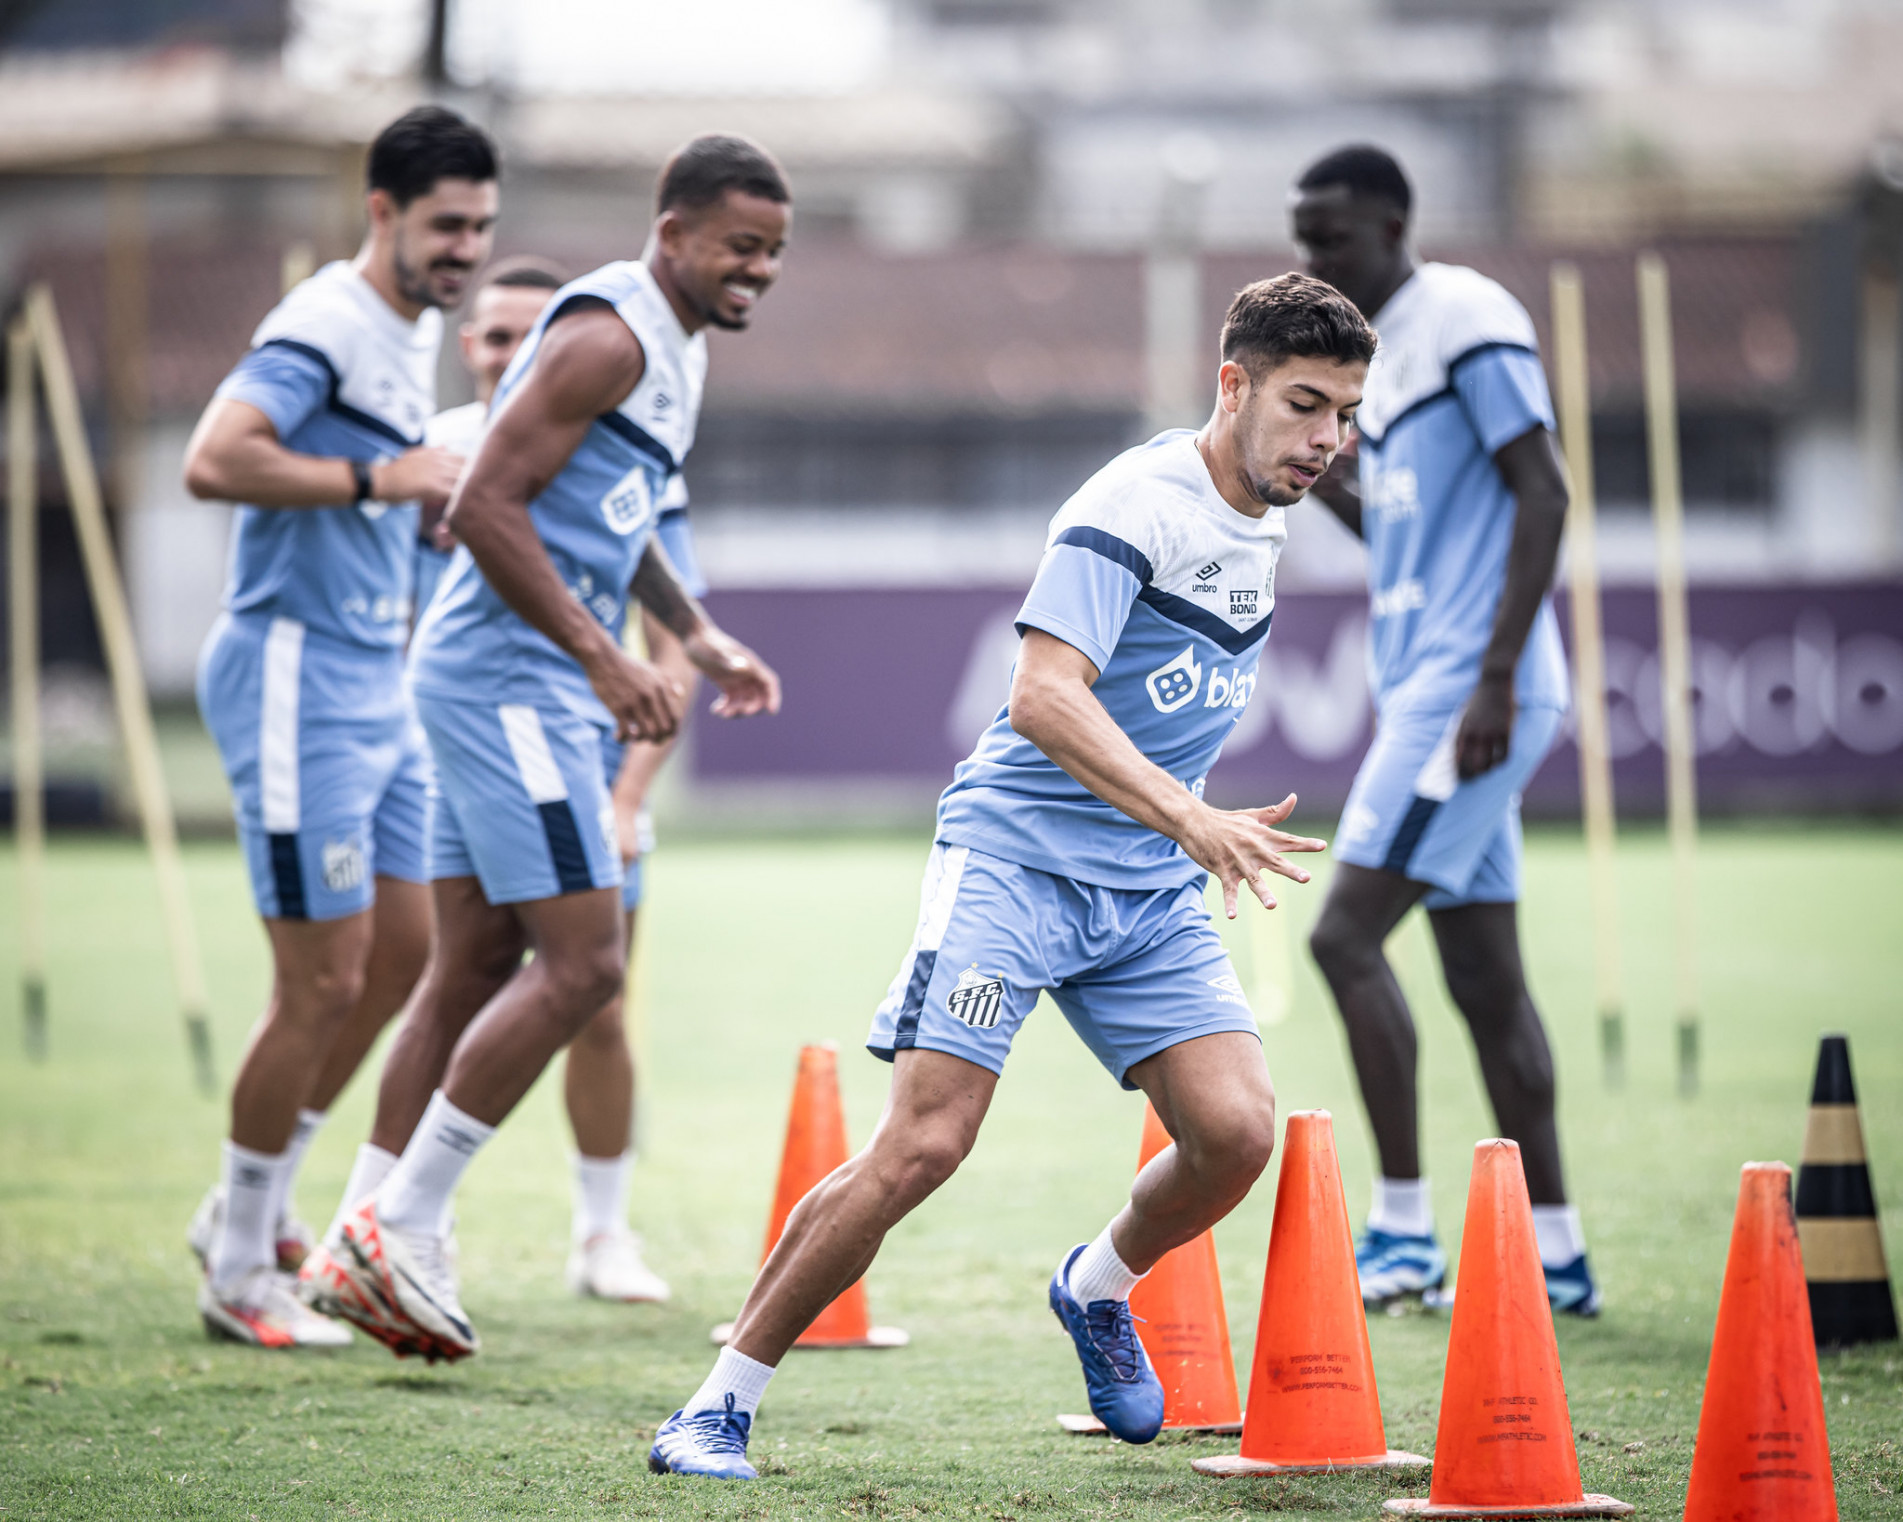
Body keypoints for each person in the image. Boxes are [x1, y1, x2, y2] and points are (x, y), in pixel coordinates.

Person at [647, 272, 1373, 1481]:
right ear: (1232, 384)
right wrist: (1192, 817)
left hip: (1142, 888)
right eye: (1306, 406)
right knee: (925, 1144)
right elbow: (1039, 696)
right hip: (1017, 866)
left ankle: (1094, 1287)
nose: (1327, 440)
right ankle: (714, 1405)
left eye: (1345, 414)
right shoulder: (1134, 503)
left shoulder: (1270, 510)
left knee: (1238, 1133)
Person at [301, 134, 788, 1361]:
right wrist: (604, 657)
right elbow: (480, 507)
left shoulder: (671, 348)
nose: (759, 270)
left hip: (502, 678)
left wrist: (693, 635)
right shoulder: (613, 332)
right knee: (585, 968)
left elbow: (609, 519)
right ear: (671, 233)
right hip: (511, 684)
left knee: (468, 966)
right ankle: (397, 1226)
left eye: (775, 251)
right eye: (741, 245)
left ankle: (364, 1229)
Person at [180, 106, 498, 1348]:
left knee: (406, 958)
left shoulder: (403, 336)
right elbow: (216, 457)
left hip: (378, 677)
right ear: (383, 214)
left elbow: (363, 485)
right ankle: (240, 1267)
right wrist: (381, 479)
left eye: (479, 225)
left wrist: (395, 508)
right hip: (295, 673)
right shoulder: (324, 321)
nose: (464, 248)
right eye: (443, 226)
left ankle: (241, 1211)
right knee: (316, 982)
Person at [329, 256, 699, 1303]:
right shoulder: (432, 460)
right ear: (469, 344)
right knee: (538, 970)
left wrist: (629, 795)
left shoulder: (620, 438)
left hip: (579, 747)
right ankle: (386, 1222)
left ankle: (599, 1234)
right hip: (488, 722)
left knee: (588, 995)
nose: (512, 353)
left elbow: (667, 625)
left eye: (530, 336)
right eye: (494, 336)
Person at [1291, 144, 1599, 1315]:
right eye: (1302, 236)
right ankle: (1559, 1254)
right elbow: (1404, 532)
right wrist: (1320, 474)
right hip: (1430, 683)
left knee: (1343, 938)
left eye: (1333, 235)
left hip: (1465, 695)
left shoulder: (1465, 312)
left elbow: (1545, 487)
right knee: (1483, 979)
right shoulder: (1368, 364)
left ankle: (1404, 1234)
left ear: (1392, 222)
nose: (1316, 257)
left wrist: (1496, 678)